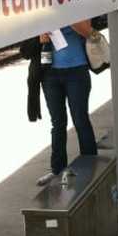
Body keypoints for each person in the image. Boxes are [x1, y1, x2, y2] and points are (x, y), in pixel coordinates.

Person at [37, 20, 98, 186]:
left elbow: (88, 32)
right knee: (57, 123)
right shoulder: (43, 9)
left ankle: (91, 165)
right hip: (49, 72)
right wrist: (40, 37)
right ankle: (57, 169)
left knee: (80, 119)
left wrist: (66, 15)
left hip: (76, 70)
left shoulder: (75, 3)